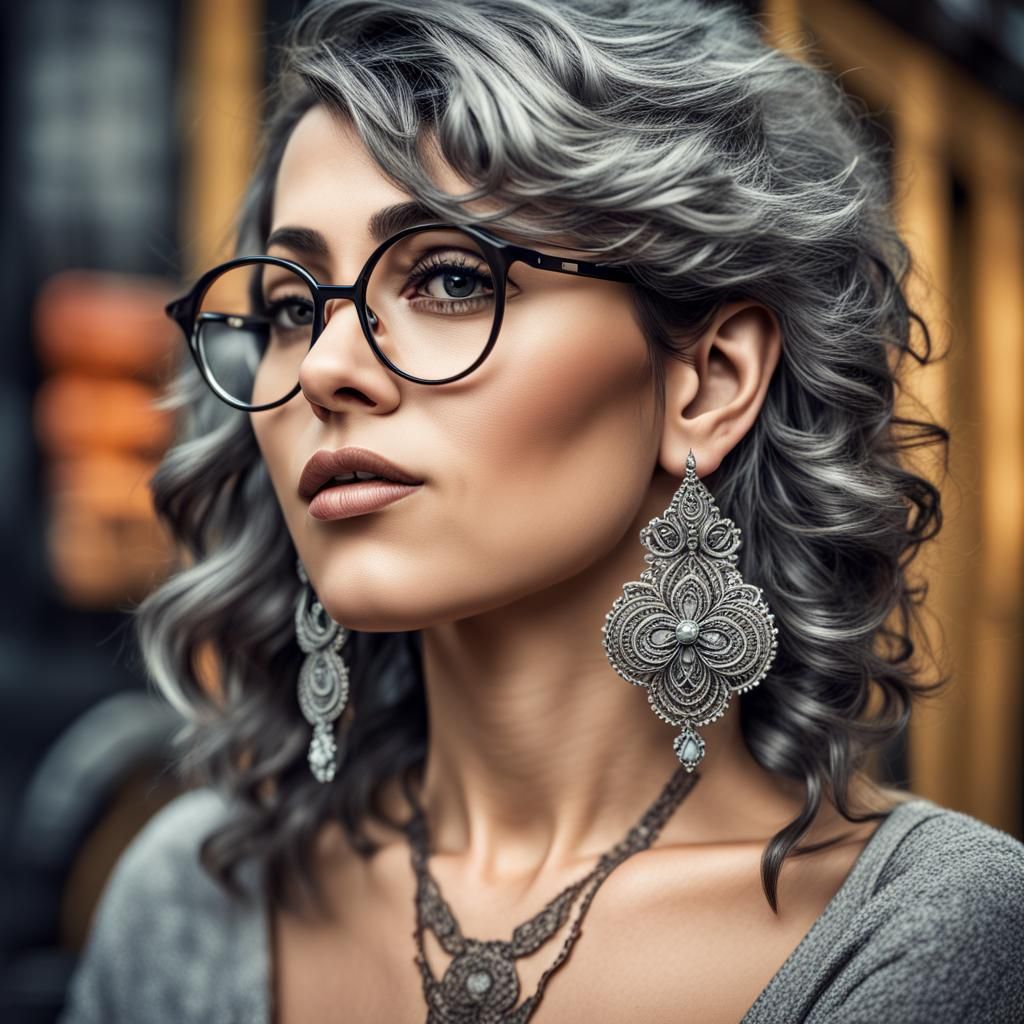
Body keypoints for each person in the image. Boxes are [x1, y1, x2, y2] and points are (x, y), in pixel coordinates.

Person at [59, 0, 1024, 1021]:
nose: (326, 368)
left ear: (707, 379)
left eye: (446, 278)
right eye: (294, 308)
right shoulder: (190, 896)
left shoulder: (929, 933)